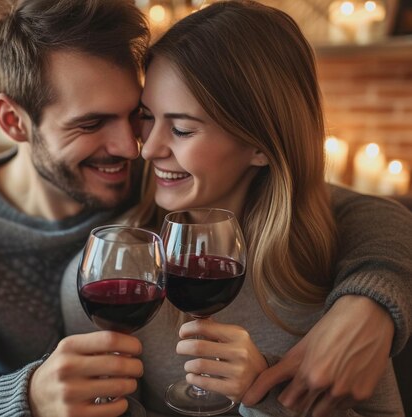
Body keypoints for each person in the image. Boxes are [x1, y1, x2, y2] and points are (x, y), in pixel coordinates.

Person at [0, 1, 410, 417]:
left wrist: (373, 297)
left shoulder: (176, 184)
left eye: (136, 114)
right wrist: (28, 397)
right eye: (91, 123)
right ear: (13, 122)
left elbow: (327, 203)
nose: (135, 148)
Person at [59, 1, 411, 416]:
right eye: (147, 117)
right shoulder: (109, 275)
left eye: (183, 128)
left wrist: (264, 393)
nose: (148, 148)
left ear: (261, 145)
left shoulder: (341, 273)